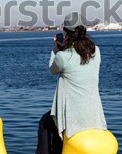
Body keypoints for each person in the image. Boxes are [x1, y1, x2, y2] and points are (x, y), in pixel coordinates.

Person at [36, 12, 107, 154]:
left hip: (72, 117)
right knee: (56, 126)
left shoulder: (63, 56)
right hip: (94, 115)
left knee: (45, 122)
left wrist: (55, 50)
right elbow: (77, 58)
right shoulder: (96, 51)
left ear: (66, 32)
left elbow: (52, 69)